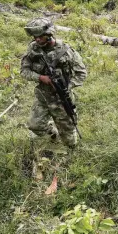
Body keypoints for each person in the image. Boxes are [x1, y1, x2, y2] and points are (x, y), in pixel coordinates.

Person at [20, 18, 87, 149]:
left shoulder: (66, 51)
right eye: (35, 37)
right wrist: (40, 77)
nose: (37, 40)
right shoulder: (33, 49)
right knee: (35, 126)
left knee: (70, 143)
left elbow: (81, 73)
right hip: (43, 97)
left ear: (49, 35)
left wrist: (69, 86)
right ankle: (53, 133)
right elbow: (24, 71)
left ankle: (68, 141)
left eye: (40, 37)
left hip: (62, 99)